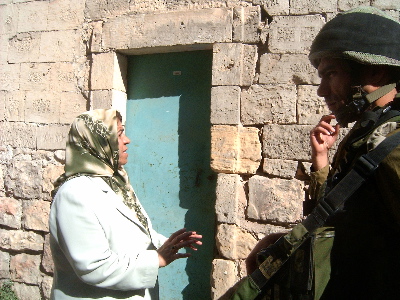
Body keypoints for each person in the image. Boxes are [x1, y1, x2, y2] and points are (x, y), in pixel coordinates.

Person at [245, 6, 400, 299]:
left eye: (331, 74)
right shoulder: (366, 133)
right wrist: (321, 163)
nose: (321, 91)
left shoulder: (391, 143)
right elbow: (345, 213)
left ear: (375, 71)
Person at [49, 109, 202, 300]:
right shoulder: (75, 193)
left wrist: (168, 244)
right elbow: (93, 267)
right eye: (119, 134)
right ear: (98, 142)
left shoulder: (116, 181)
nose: (127, 140)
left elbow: (133, 232)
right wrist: (157, 259)